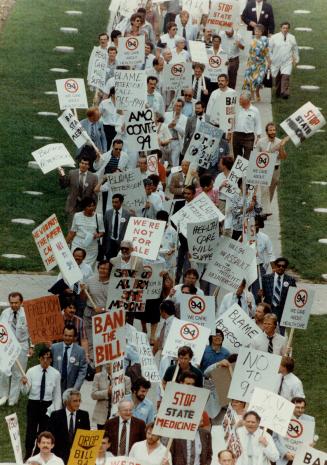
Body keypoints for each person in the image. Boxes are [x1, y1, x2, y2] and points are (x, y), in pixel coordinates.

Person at [22, 347, 61, 461]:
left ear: (51, 360)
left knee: (44, 433)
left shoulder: (55, 374)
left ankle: (39, 457)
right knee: (30, 432)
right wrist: (24, 384)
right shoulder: (31, 371)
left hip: (47, 406)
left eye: (48, 358)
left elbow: (57, 395)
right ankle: (28, 456)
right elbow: (25, 392)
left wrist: (55, 411)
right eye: (43, 358)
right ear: (39, 359)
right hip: (33, 404)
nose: (45, 361)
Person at [0, 292, 33, 406]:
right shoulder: (5, 313)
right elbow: (1, 330)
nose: (13, 305)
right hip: (8, 346)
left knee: (18, 373)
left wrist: (31, 347)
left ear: (21, 302)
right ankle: (4, 395)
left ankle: (12, 400)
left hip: (21, 345)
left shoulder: (27, 314)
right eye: (11, 303)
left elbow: (32, 332)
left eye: (16, 303)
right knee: (3, 370)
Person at [48, 388, 90, 464]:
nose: (78, 404)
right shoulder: (56, 416)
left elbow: (87, 436)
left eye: (79, 400)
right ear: (66, 402)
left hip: (77, 457)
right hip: (59, 456)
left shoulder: (84, 415)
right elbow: (50, 437)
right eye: (75, 401)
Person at [82, 260, 110, 362]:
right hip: (89, 314)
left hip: (106, 316)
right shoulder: (90, 280)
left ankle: (102, 360)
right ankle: (92, 362)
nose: (103, 270)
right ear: (98, 269)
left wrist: (102, 309)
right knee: (90, 341)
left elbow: (116, 303)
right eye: (101, 268)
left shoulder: (114, 283)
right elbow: (83, 298)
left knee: (102, 342)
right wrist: (83, 290)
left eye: (106, 269)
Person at [66, 196, 104, 269]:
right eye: (89, 206)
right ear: (84, 207)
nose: (92, 208)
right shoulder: (77, 216)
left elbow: (102, 232)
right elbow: (72, 232)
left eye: (93, 206)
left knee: (88, 267)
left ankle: (86, 280)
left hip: (91, 246)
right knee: (75, 264)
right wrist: (65, 243)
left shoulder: (98, 217)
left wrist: (97, 235)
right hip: (78, 243)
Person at [58, 156, 98, 226]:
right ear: (79, 164)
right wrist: (62, 176)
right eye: (82, 163)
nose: (83, 165)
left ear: (88, 166)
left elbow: (95, 195)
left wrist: (93, 208)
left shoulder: (93, 177)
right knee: (71, 226)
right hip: (73, 205)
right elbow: (63, 186)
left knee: (83, 227)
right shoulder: (72, 173)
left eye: (86, 164)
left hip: (86, 207)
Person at [91, 364, 131, 429]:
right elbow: (93, 395)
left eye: (112, 364)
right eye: (108, 364)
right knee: (102, 437)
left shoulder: (126, 379)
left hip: (117, 415)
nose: (109, 366)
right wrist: (107, 392)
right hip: (102, 416)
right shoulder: (98, 376)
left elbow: (128, 398)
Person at [259, 257, 296, 326]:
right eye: (279, 265)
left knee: (281, 332)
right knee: (267, 329)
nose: (281, 267)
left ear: (285, 268)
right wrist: (260, 294)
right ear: (275, 266)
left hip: (282, 311)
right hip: (269, 309)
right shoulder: (266, 278)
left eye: (283, 266)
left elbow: (293, 297)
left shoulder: (290, 280)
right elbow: (261, 295)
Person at [257, 122, 288, 202]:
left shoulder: (280, 142)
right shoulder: (260, 142)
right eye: (270, 130)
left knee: (271, 192)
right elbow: (255, 157)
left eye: (274, 130)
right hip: (264, 170)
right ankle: (262, 210)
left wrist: (281, 146)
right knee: (264, 191)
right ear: (267, 131)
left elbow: (283, 157)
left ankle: (265, 211)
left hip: (275, 170)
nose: (273, 132)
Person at [51, 324, 88, 393]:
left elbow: (82, 371)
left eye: (70, 336)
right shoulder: (54, 348)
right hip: (55, 387)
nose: (67, 338)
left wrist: (75, 389)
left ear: (74, 337)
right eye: (65, 335)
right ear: (63, 335)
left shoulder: (80, 351)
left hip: (71, 388)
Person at [270, 22, 299, 99]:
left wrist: (296, 60)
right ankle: (278, 92)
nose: (285, 29)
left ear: (288, 29)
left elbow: (295, 49)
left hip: (287, 61)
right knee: (278, 77)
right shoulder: (274, 37)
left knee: (285, 76)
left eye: (287, 28)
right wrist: (269, 59)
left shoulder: (292, 38)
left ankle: (284, 92)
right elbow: (269, 50)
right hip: (276, 61)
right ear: (280, 28)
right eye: (284, 28)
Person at [243, 24, 270, 102]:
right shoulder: (251, 39)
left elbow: (266, 51)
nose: (257, 32)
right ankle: (252, 96)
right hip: (251, 62)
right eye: (256, 31)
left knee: (258, 80)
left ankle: (257, 92)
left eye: (259, 31)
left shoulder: (265, 39)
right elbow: (246, 50)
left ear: (262, 32)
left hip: (261, 63)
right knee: (250, 80)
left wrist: (269, 60)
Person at [233, 93, 262, 160]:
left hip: (248, 137)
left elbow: (258, 123)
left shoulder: (255, 110)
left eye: (241, 99)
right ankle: (237, 170)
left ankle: (246, 170)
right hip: (237, 135)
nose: (239, 101)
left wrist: (258, 136)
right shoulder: (237, 109)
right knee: (237, 158)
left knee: (247, 158)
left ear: (247, 101)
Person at [103, 193, 131, 259]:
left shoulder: (127, 214)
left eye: (116, 202)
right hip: (110, 243)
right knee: (109, 262)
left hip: (122, 243)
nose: (114, 204)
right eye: (113, 202)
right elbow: (105, 229)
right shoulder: (108, 213)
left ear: (121, 202)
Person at [165, 99, 187, 167]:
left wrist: (175, 126)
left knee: (174, 162)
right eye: (176, 105)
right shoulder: (166, 114)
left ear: (182, 107)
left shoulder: (185, 118)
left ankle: (174, 177)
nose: (178, 107)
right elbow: (161, 126)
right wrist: (169, 125)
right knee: (165, 162)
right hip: (166, 141)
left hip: (177, 142)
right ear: (174, 106)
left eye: (180, 106)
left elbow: (184, 132)